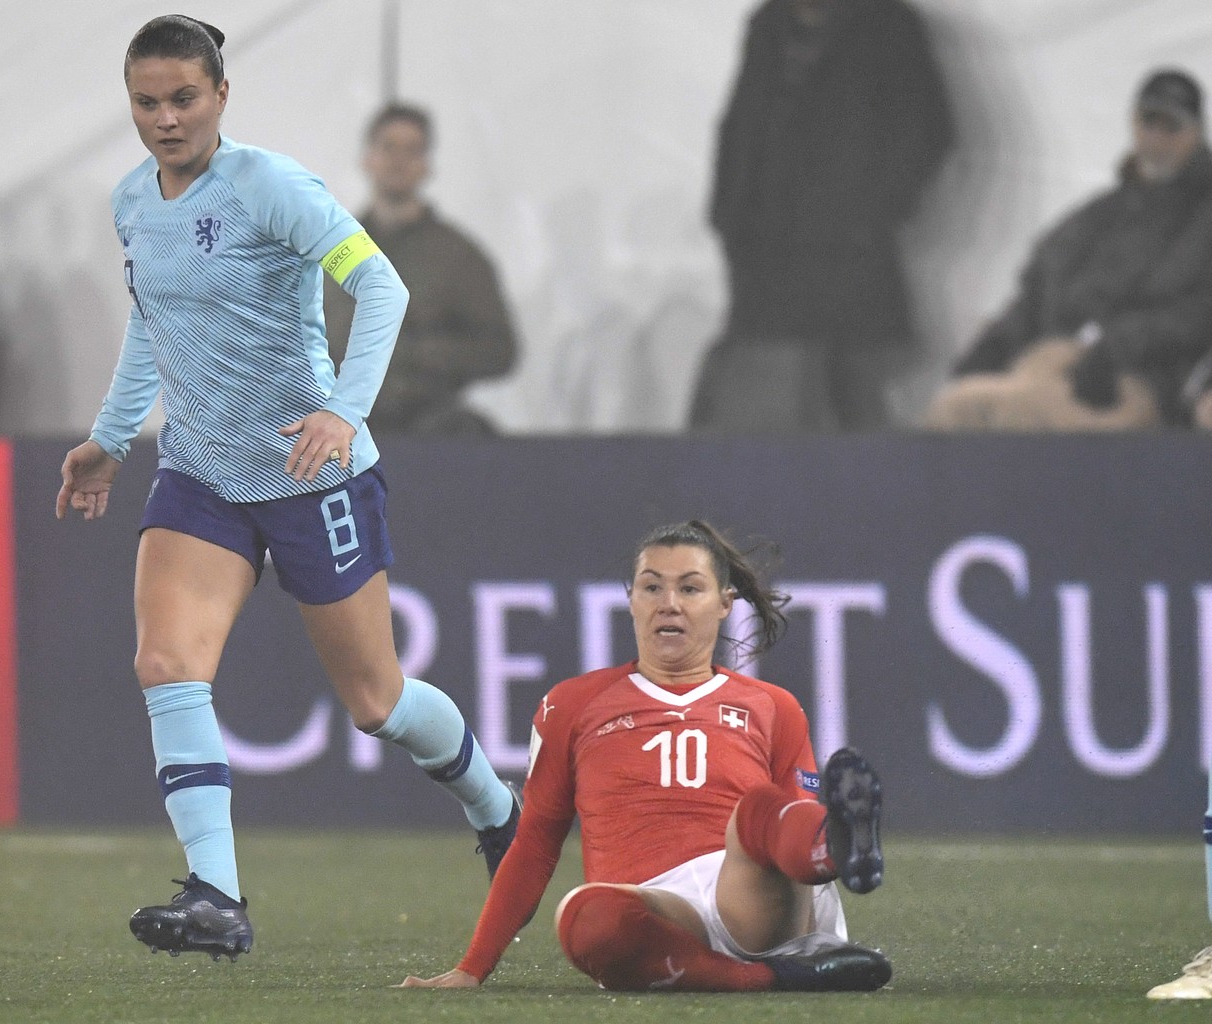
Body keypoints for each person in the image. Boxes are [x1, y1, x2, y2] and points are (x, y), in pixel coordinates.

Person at [54, 16, 520, 963]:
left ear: (222, 95)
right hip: (200, 471)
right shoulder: (132, 203)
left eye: (183, 98)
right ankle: (217, 897)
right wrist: (108, 441)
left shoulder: (273, 188)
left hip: (312, 473)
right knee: (166, 665)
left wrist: (344, 410)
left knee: (376, 701)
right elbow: (151, 326)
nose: (165, 118)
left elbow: (381, 287)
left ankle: (501, 812)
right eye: (147, 102)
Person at [400, 520, 891, 993]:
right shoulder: (570, 705)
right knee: (583, 914)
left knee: (759, 809)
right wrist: (472, 967)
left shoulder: (772, 706)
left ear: (724, 604)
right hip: (654, 913)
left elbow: (787, 826)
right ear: (630, 601)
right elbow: (533, 845)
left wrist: (804, 846)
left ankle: (834, 848)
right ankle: (781, 977)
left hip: (752, 897)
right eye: (652, 588)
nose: (669, 604)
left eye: (690, 589)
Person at [694, 0, 953, 434]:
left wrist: (869, 219)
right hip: (766, 273)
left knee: (851, 425)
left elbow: (928, 129)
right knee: (761, 433)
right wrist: (729, 218)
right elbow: (739, 130)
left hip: (847, 270)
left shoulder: (886, 25)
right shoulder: (768, 28)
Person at [925, 69, 1212, 432]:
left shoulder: (1203, 219)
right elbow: (1033, 296)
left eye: (1172, 126)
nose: (1157, 137)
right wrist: (985, 355)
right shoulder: (1097, 215)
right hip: (1051, 365)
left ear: (1197, 133)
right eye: (1148, 121)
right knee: (955, 410)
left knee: (978, 415)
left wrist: (1113, 346)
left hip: (1139, 380)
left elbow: (1197, 315)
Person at [321, 102, 518, 434]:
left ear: (427, 165)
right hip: (344, 432)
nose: (399, 161)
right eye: (389, 147)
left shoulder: (458, 258)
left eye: (412, 150)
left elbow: (500, 350)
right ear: (368, 159)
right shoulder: (329, 252)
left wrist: (418, 352)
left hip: (432, 433)